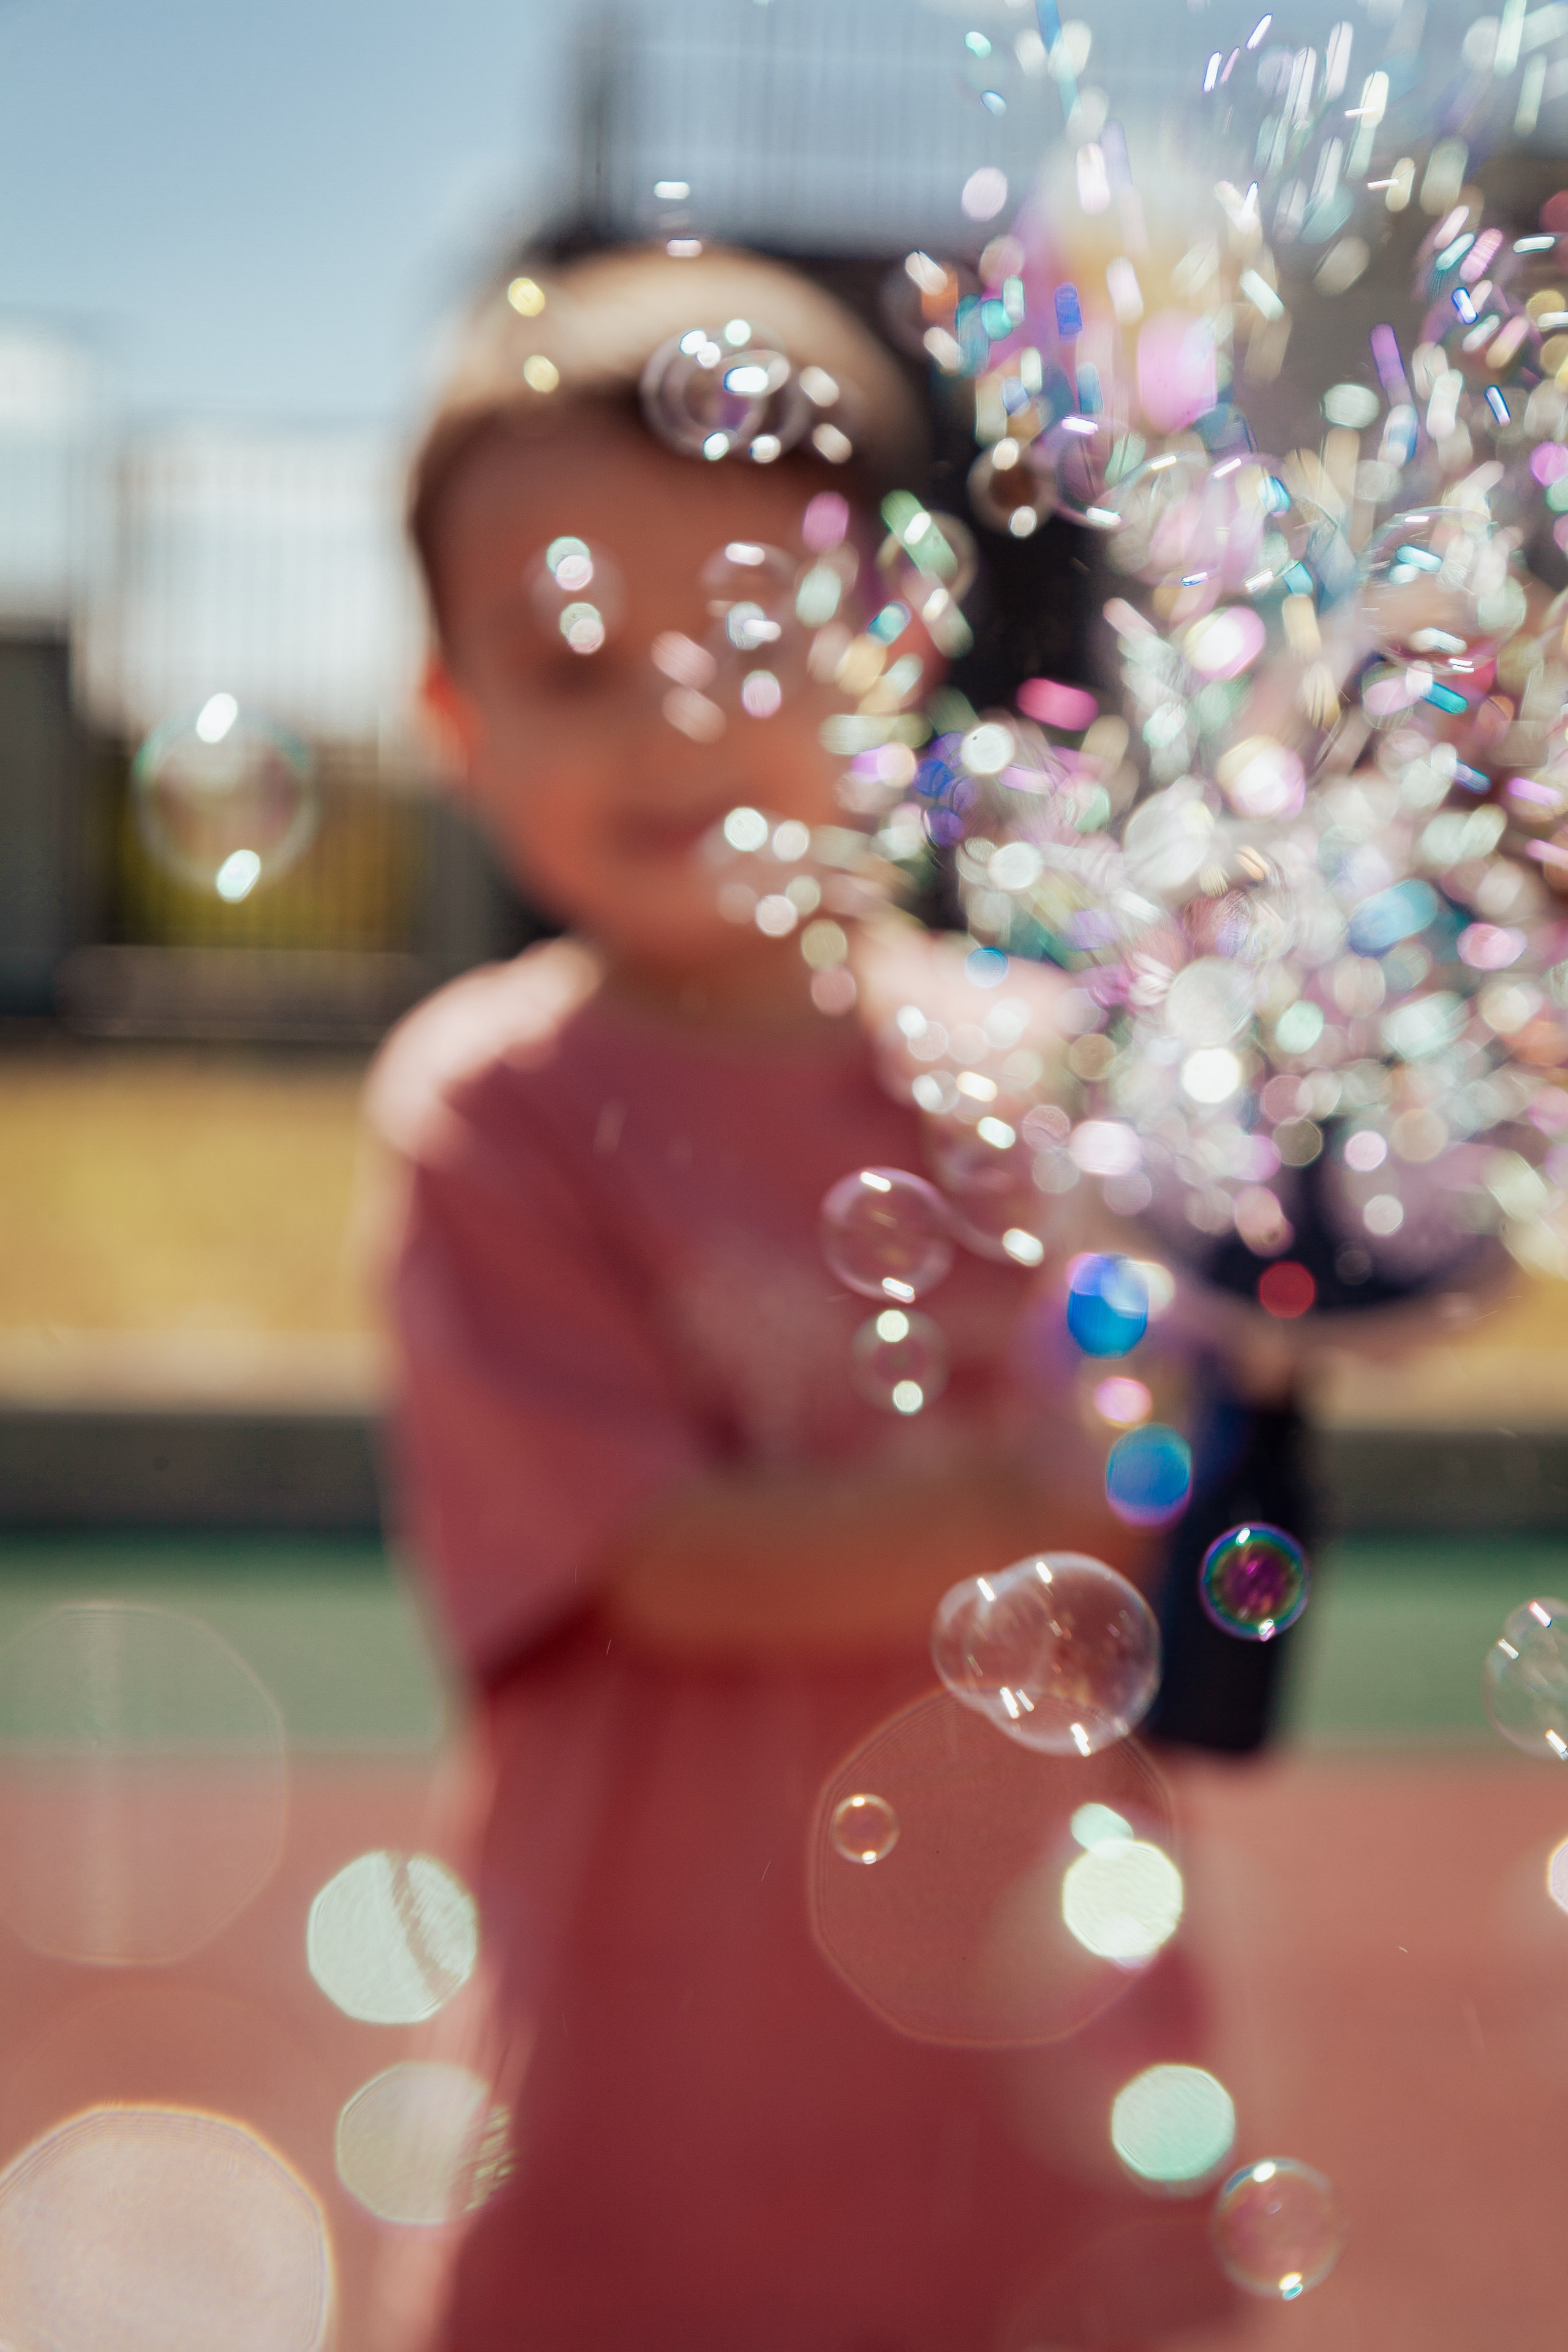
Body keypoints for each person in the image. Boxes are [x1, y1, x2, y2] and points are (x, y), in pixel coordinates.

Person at [368, 239, 1231, 2351]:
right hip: (650, 2141)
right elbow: (663, 1564)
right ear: (452, 719)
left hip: (1042, 2127)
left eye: (754, 636)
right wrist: (1040, 1502)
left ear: (894, 645)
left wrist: (1291, 1298)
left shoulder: (1043, 1075)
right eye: (574, 659)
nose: (675, 718)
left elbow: (1167, 1457)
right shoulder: (494, 1116)